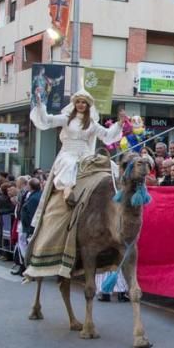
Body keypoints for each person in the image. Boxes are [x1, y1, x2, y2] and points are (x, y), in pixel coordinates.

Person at [24, 89, 123, 279]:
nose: (80, 105)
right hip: (68, 153)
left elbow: (108, 136)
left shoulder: (92, 124)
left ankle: (116, 197)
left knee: (110, 165)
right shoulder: (66, 119)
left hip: (86, 154)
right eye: (78, 102)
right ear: (75, 103)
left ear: (88, 106)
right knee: (69, 165)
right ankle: (67, 191)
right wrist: (39, 104)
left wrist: (119, 124)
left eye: (84, 103)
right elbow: (46, 120)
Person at [11, 177, 42, 276]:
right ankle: (22, 267)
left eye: (28, 184)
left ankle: (27, 267)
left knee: (25, 246)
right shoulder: (29, 194)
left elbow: (32, 214)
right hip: (23, 224)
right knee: (21, 246)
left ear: (31, 186)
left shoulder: (35, 197)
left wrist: (29, 227)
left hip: (27, 226)